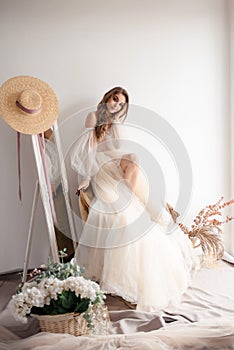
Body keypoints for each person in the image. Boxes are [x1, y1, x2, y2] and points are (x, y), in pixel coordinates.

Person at [71, 87, 199, 312]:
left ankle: (139, 200)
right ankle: (140, 203)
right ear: (107, 97)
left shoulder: (116, 124)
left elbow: (120, 149)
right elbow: (89, 151)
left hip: (115, 167)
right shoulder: (92, 117)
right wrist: (87, 178)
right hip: (101, 171)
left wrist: (117, 127)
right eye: (115, 100)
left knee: (134, 159)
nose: (116, 105)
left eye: (121, 104)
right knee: (121, 217)